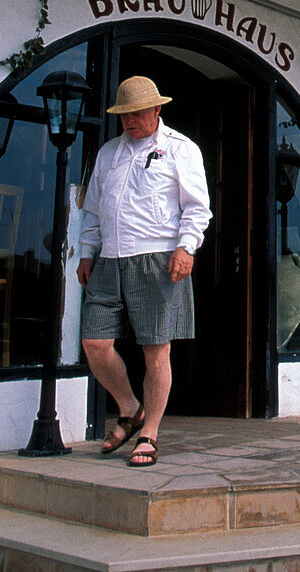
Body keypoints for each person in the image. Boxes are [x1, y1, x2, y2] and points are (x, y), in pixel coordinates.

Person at [77, 75, 211, 467]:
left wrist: (187, 247)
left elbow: (197, 207)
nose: (130, 121)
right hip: (109, 259)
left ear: (157, 110)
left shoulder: (180, 149)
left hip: (157, 258)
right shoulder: (108, 153)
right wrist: (88, 253)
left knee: (156, 350)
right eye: (124, 115)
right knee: (94, 343)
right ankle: (130, 407)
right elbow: (94, 209)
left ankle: (149, 432)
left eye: (136, 113)